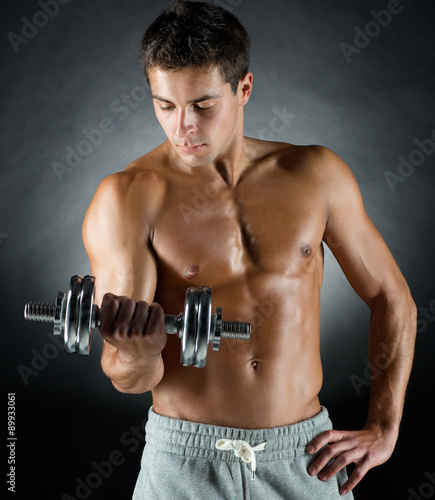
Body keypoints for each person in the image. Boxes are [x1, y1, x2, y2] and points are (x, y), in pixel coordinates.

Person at [82, 1, 417, 498]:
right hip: (184, 463)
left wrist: (384, 426)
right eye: (165, 106)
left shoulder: (316, 176)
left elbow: (392, 298)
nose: (182, 128)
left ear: (244, 88)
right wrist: (139, 355)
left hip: (306, 458)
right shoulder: (127, 198)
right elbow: (127, 376)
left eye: (202, 105)